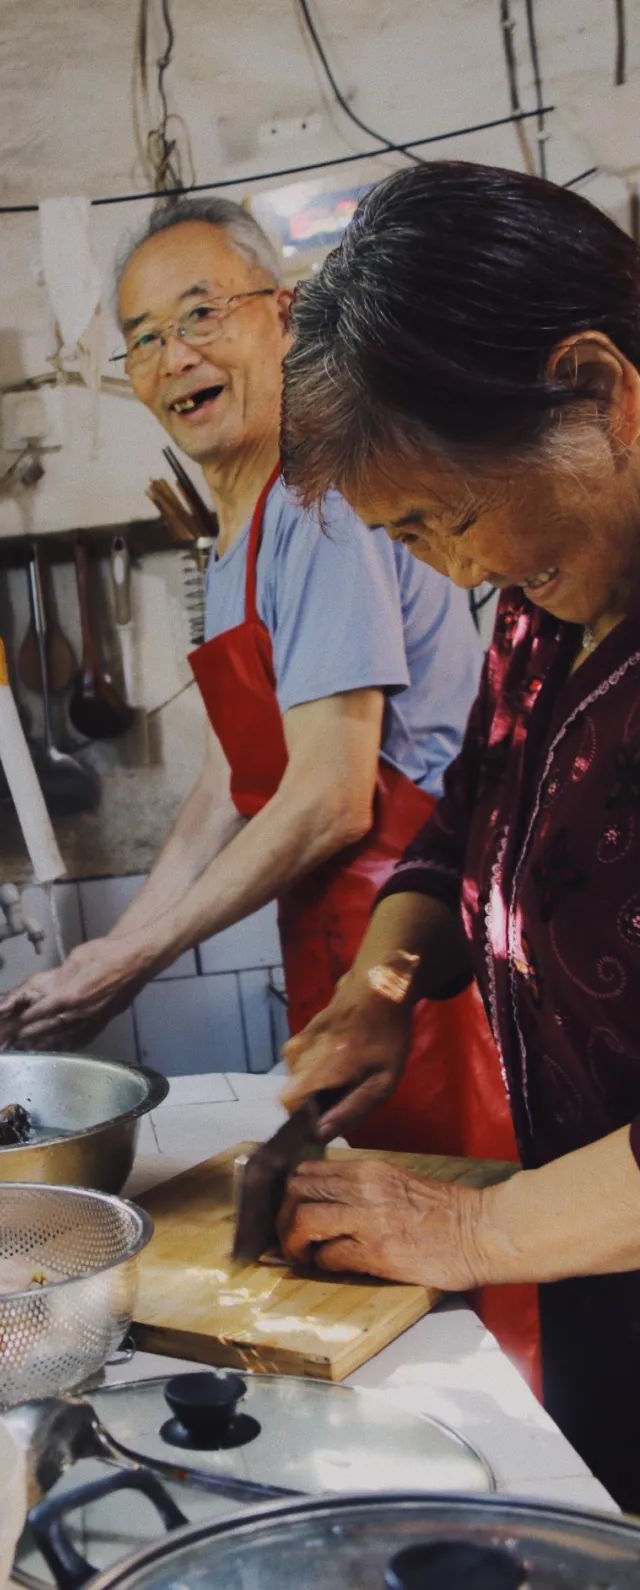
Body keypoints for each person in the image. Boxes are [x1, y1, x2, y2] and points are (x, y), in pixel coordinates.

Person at [0, 199, 533, 1354]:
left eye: (203, 315)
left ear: (285, 317)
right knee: (383, 1269)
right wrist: (118, 946)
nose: (175, 355)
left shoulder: (318, 504)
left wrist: (133, 958)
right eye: (141, 336)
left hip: (424, 966)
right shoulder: (239, 528)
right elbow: (238, 779)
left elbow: (332, 794)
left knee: (462, 1291)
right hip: (344, 947)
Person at [276, 159, 640, 1510]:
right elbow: (472, 816)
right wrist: (382, 987)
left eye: (449, 515)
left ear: (594, 390)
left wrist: (472, 1225)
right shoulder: (551, 603)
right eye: (408, 536)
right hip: (598, 1253)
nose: (460, 573)